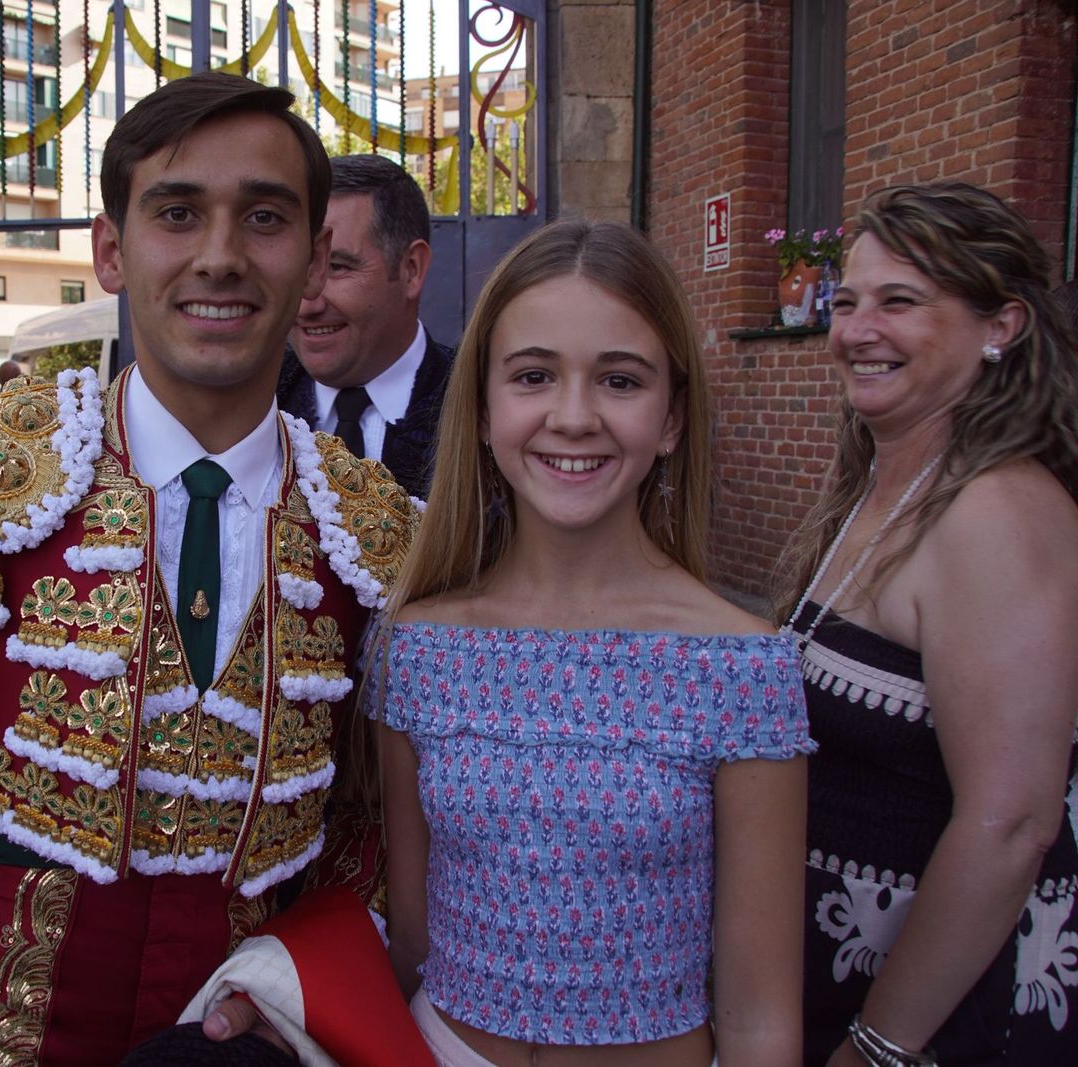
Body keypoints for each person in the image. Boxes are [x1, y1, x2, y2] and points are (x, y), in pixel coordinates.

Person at [0, 72, 418, 1066]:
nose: (219, 255)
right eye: (176, 213)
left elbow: (370, 825)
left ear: (311, 261)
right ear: (111, 252)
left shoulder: (368, 527)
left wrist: (303, 993)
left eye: (263, 217)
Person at [372, 219, 811, 1065]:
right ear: (487, 406)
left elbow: (759, 1017)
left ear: (672, 417)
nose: (573, 417)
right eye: (534, 375)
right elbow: (410, 938)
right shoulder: (416, 646)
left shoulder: (743, 666)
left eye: (619, 379)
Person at [778, 183, 1078, 1065]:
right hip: (837, 971)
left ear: (1002, 326)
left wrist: (878, 1046)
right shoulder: (880, 487)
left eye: (899, 302)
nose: (857, 330)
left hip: (946, 1010)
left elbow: (1013, 819)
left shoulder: (997, 513)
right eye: (846, 302)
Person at [279, 153, 454, 498]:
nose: (307, 303)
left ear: (411, 269)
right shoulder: (251, 405)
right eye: (299, 267)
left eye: (338, 267)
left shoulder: (482, 405)